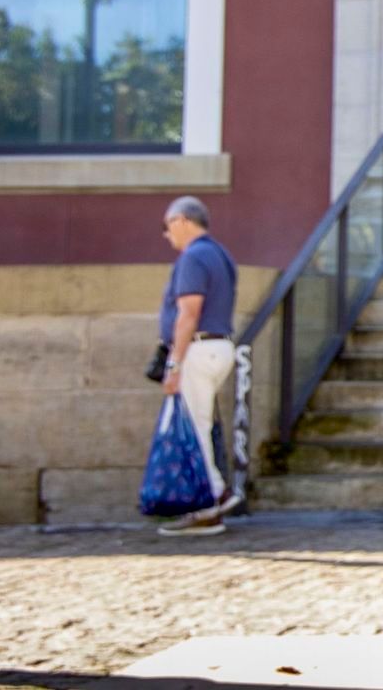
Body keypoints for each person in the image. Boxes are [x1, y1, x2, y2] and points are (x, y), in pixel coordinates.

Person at [155, 195, 241, 537]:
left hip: (198, 349)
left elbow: (188, 313)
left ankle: (208, 505)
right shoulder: (221, 254)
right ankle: (216, 493)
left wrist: (174, 364)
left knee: (193, 429)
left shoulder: (193, 257)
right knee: (200, 424)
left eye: (168, 226)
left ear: (182, 221)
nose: (166, 235)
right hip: (218, 347)